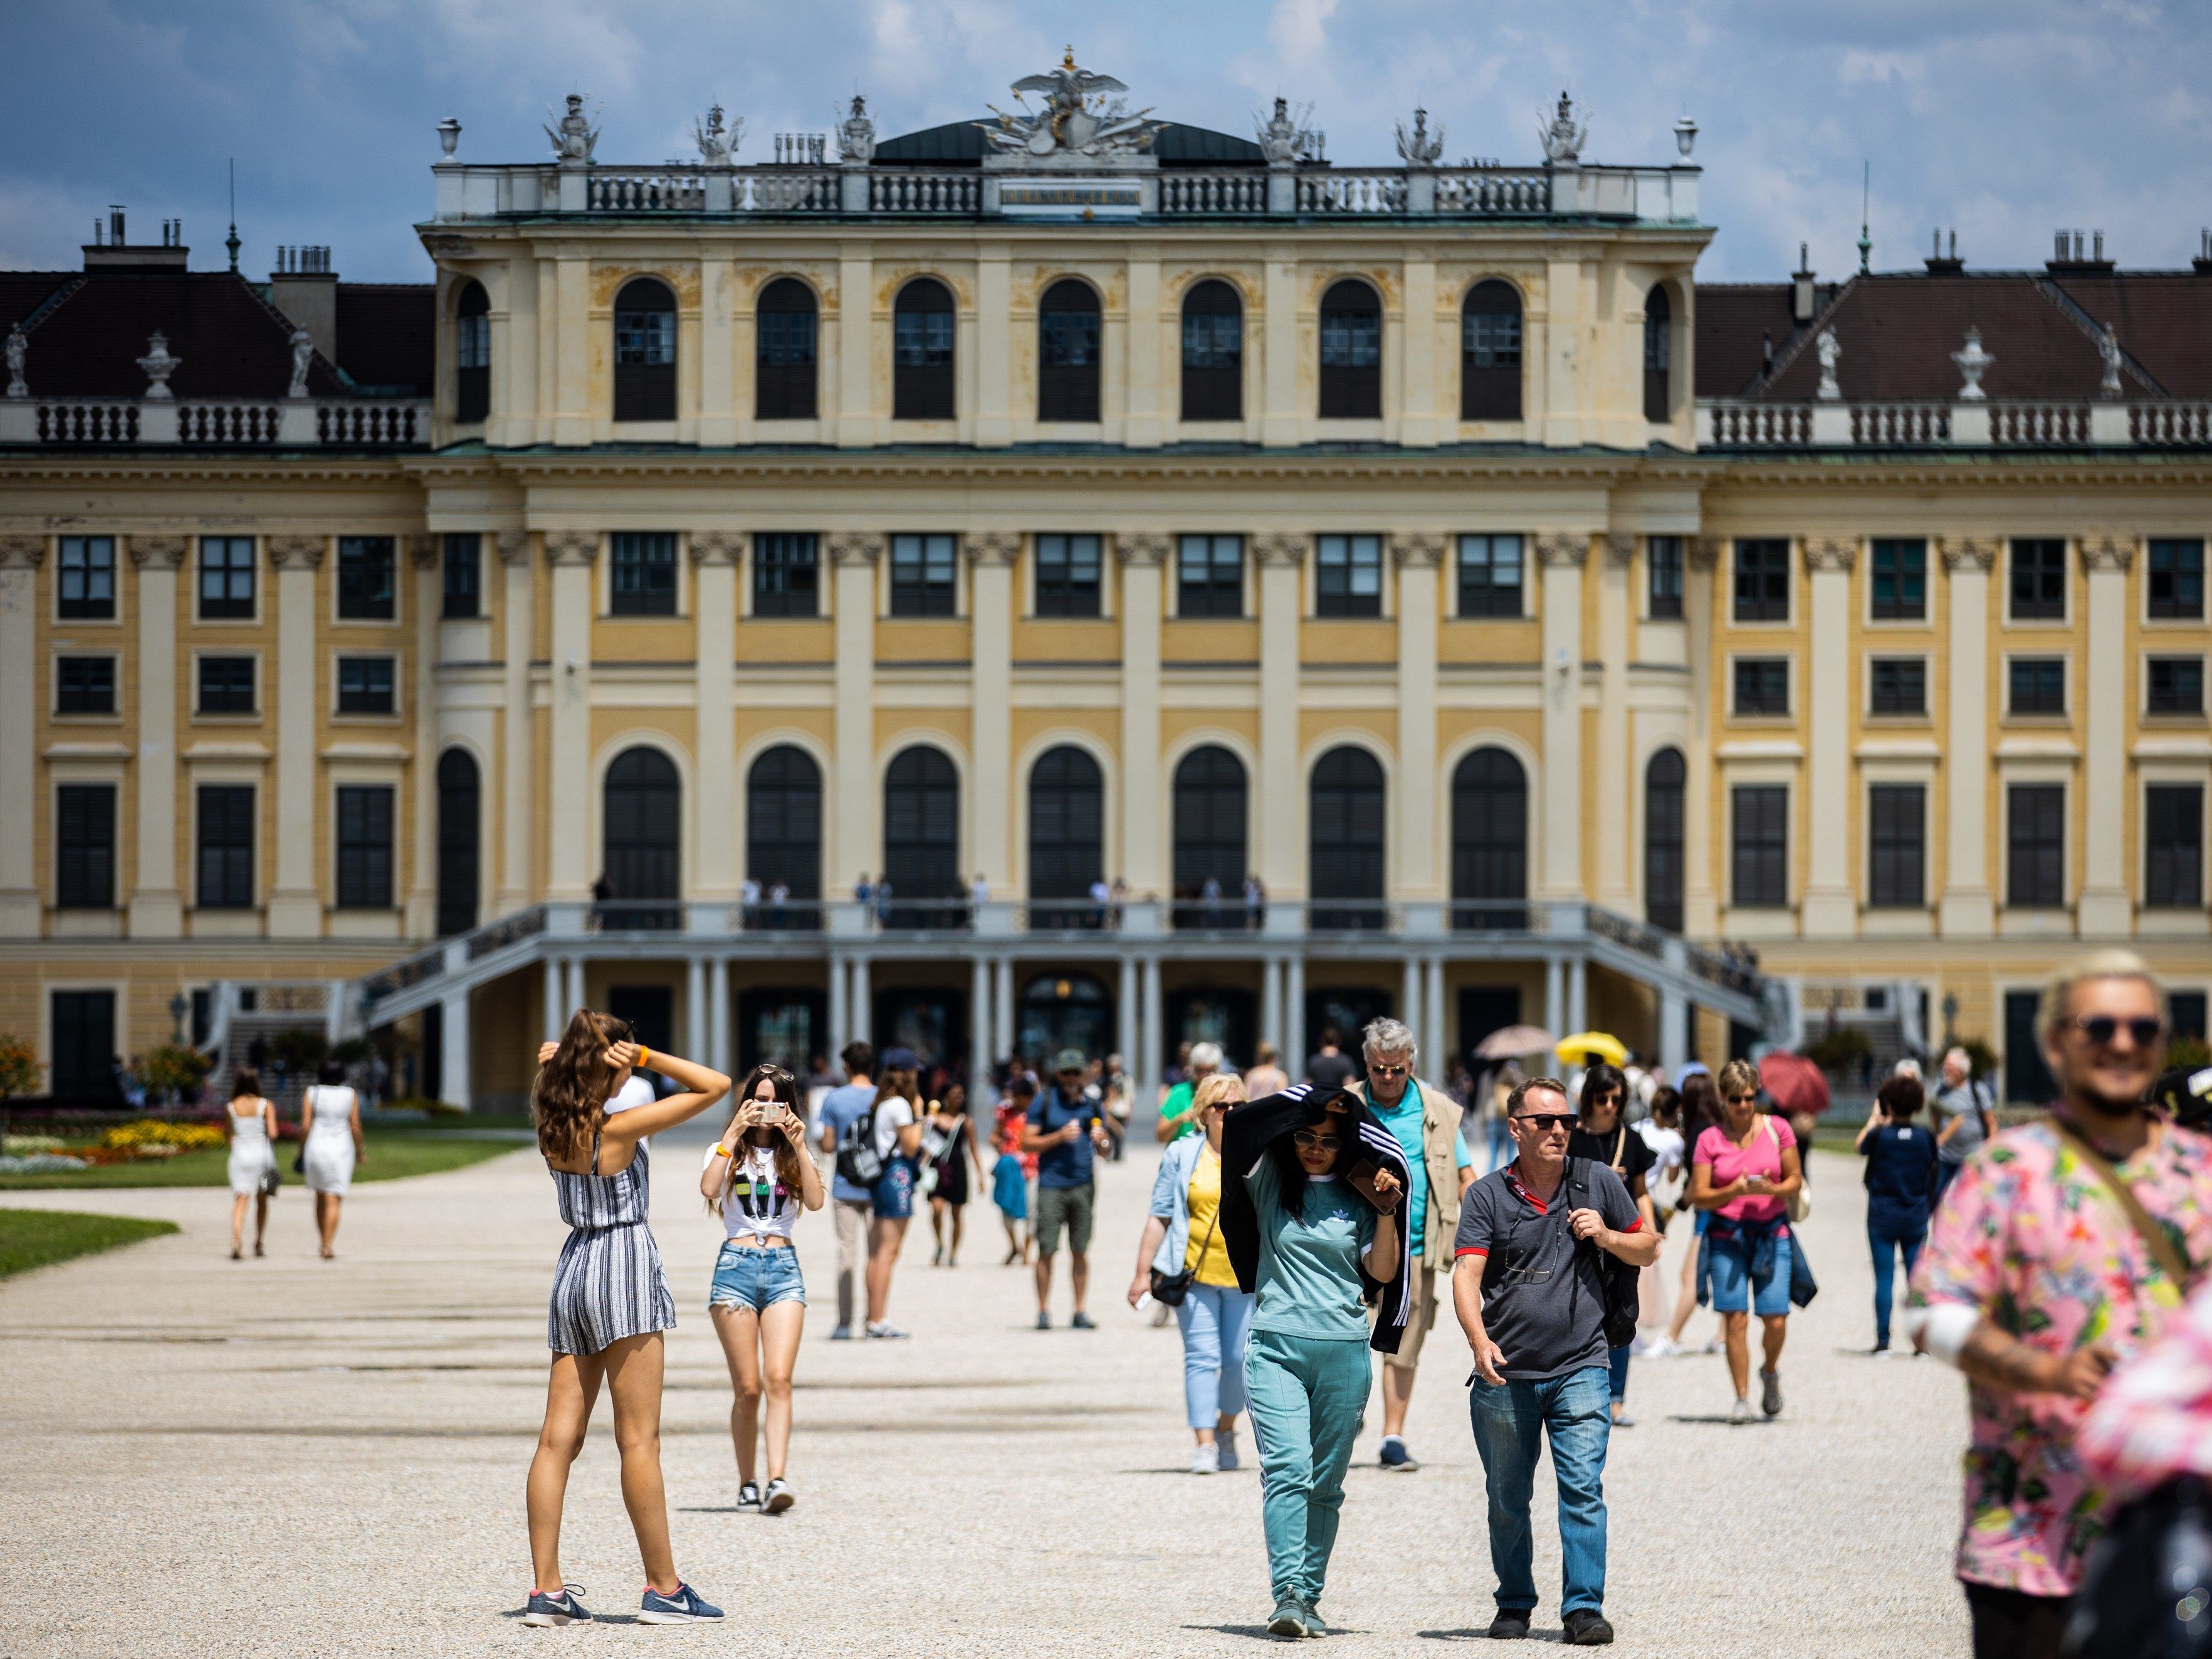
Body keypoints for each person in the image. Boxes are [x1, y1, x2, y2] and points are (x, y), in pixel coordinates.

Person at [1904, 951, 2212, 1658]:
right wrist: (2041, 1371)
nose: (2122, 1042)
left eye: (2142, 1026)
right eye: (2098, 1025)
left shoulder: (2197, 1173)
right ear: (2054, 1044)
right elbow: (1929, 1313)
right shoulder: (2005, 1172)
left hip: (2182, 1532)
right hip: (2028, 1537)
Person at [524, 1012, 731, 1627]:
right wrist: (643, 1056)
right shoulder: (617, 1127)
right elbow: (715, 1085)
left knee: (556, 1437)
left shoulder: (551, 1119)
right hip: (622, 1259)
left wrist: (572, 1057)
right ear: (607, 1065)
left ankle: (546, 1590)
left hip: (575, 1263)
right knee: (638, 1437)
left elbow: (546, 1060)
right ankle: (663, 1588)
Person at [1454, 1075, 1659, 1646]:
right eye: (1544, 1121)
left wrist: (1609, 1235)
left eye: (1565, 1121)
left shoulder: (1596, 1181)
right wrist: (1478, 1341)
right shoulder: (1487, 1195)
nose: (1558, 1130)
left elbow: (1649, 1245)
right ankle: (1514, 1602)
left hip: (1583, 1364)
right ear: (1515, 1126)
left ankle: (1582, 1608)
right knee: (1506, 1496)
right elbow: (1465, 1274)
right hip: (1505, 1372)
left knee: (1582, 1488)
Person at [1221, 1084, 1408, 1638]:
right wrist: (1317, 1101)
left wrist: (1385, 1211)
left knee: (1325, 1483)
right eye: (1306, 1135)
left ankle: (1310, 1593)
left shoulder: (1361, 1192)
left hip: (1344, 1350)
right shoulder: (1271, 1180)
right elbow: (1241, 1126)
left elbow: (1380, 1272)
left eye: (1328, 1139)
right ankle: (1286, 1595)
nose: (1314, 1147)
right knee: (1287, 1470)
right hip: (1276, 1345)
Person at [1350, 1017, 1473, 1472]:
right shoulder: (1346, 1104)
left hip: (1416, 1248)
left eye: (1395, 1069)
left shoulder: (1437, 1108)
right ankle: (1349, 1411)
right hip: (1349, 1245)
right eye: (1378, 1069)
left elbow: (1465, 1176)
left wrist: (1490, 1224)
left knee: (1403, 1342)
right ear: (1367, 1063)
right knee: (1347, 1336)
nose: (1386, 1078)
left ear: (1411, 1064)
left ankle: (1392, 1436)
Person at [700, 1064, 822, 1515]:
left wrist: (800, 1143)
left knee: (779, 1380)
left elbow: (814, 1201)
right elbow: (709, 1187)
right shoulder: (727, 1150)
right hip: (734, 1267)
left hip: (783, 1267)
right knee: (748, 1388)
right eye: (757, 1100)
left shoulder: (794, 1155)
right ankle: (746, 1480)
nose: (766, 1111)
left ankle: (776, 1479)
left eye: (775, 1102)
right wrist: (732, 1132)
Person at [1129, 1072, 1254, 1473]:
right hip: (1193, 1274)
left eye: (1238, 1107)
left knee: (1239, 1360)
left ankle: (1225, 1427)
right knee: (1202, 1358)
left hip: (1244, 1277)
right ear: (1203, 1114)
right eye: (1222, 1107)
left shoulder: (1260, 1155)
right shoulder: (1182, 1155)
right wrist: (1141, 1273)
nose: (1230, 1113)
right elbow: (1159, 1216)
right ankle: (1204, 1444)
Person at [1690, 1057, 1803, 1424]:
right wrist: (1733, 1191)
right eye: (1736, 1099)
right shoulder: (1710, 1139)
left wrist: (1771, 1187)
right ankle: (1741, 1399)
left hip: (1772, 1234)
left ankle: (1769, 1372)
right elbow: (1699, 1195)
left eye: (1750, 1098)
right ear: (1723, 1099)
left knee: (1776, 1320)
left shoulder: (1778, 1129)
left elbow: (1795, 1180)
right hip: (1727, 1238)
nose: (1743, 1106)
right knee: (1735, 1320)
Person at [1566, 1063, 1657, 1428]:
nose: (1608, 1106)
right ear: (1589, 1097)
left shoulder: (1629, 1139)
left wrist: (1649, 1232)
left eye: (1615, 1100)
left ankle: (1616, 1400)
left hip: (1619, 1238)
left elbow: (1641, 1191)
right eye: (1602, 1098)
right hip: (1578, 1238)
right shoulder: (1570, 1136)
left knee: (1620, 1314)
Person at [1023, 1049, 1111, 1329]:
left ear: (1084, 1074)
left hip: (1083, 1185)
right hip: (1051, 1185)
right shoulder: (1045, 1101)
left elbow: (1106, 1152)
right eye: (1066, 1073)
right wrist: (1059, 1137)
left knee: (1080, 1250)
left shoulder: (1093, 1104)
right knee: (1046, 1249)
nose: (1071, 1078)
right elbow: (1026, 1142)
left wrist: (1102, 1142)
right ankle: (1043, 1310)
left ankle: (1079, 1310)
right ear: (1058, 1074)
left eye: (1076, 1073)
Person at [1854, 1072, 1937, 1358]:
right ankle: (1920, 1344)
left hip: (1882, 1215)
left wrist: (1875, 1120)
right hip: (1915, 1214)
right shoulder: (1925, 1136)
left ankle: (1883, 1341)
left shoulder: (1880, 1137)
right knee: (1916, 1283)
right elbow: (1932, 1171)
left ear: (1888, 1104)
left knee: (1884, 1279)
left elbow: (1860, 1146)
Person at [1656, 1068, 1724, 1359]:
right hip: (1721, 1208)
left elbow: (1697, 1182)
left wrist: (1679, 1207)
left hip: (1707, 1211)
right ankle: (1723, 1337)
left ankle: (1672, 1337)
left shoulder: (1699, 1131)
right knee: (1723, 1276)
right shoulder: (1718, 1125)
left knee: (1691, 1276)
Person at [814, 1042, 876, 1341]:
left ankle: (843, 1322)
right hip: (878, 1185)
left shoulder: (834, 1099)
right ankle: (875, 1318)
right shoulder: (883, 1098)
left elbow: (827, 1145)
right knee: (877, 1256)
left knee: (846, 1255)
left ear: (847, 1067)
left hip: (846, 1184)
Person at [862, 1051, 925, 1339]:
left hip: (882, 1177)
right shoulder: (901, 1104)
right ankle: (878, 1318)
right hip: (896, 1176)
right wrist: (921, 1115)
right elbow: (911, 1146)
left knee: (877, 1252)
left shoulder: (883, 1101)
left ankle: (872, 1316)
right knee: (889, 1252)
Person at [300, 1059, 365, 1260]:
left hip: (316, 1146)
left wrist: (300, 1149)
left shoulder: (312, 1092)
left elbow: (305, 1126)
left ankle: (323, 1241)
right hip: (341, 1149)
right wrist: (360, 1151)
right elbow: (355, 1126)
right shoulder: (350, 1094)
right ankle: (328, 1244)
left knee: (320, 1197)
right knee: (334, 1197)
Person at [923, 1082, 983, 1266]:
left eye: (961, 1094)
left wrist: (980, 1175)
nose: (959, 1097)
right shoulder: (934, 1120)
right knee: (937, 1208)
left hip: (957, 1169)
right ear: (945, 1097)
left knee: (957, 1213)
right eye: (955, 1094)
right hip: (937, 1168)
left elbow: (974, 1149)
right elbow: (925, 1145)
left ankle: (953, 1252)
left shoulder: (967, 1123)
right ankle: (940, 1243)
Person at [223, 1065, 278, 1260]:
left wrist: (236, 1144)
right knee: (262, 1201)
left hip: (241, 1155)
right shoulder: (265, 1105)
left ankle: (237, 1238)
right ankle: (259, 1241)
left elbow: (228, 1134)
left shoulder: (231, 1107)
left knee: (240, 1200)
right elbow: (273, 1133)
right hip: (262, 1156)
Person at [1929, 1045, 1995, 1206]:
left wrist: (1993, 1149)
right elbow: (1935, 1120)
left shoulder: (1977, 1090)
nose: (1945, 1069)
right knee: (1937, 1198)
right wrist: (1934, 1144)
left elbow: (1990, 1121)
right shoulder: (1939, 1091)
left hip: (1971, 1158)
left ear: (1961, 1071)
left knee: (1973, 1201)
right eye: (1944, 1066)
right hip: (1945, 1157)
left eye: (1949, 1067)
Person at [992, 1072, 1037, 1264]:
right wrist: (1003, 1153)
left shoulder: (1038, 1115)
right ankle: (1014, 1246)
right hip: (1011, 1169)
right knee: (1006, 1212)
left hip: (1032, 1170)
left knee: (1032, 1212)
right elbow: (994, 1136)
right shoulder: (1005, 1114)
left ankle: (1027, 1250)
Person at [1155, 1040, 1224, 1143]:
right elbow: (1160, 1137)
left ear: (1217, 1069)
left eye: (1210, 1070)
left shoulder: (1225, 1093)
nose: (1204, 1076)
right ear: (1193, 1068)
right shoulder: (1178, 1093)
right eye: (1199, 1070)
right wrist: (1179, 1119)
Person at [1306, 1028, 1355, 1092]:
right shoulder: (1346, 1061)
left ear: (1321, 1041)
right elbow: (1350, 1086)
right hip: (1338, 1100)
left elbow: (1308, 1086)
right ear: (1338, 1041)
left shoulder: (1313, 1061)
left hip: (1318, 1099)